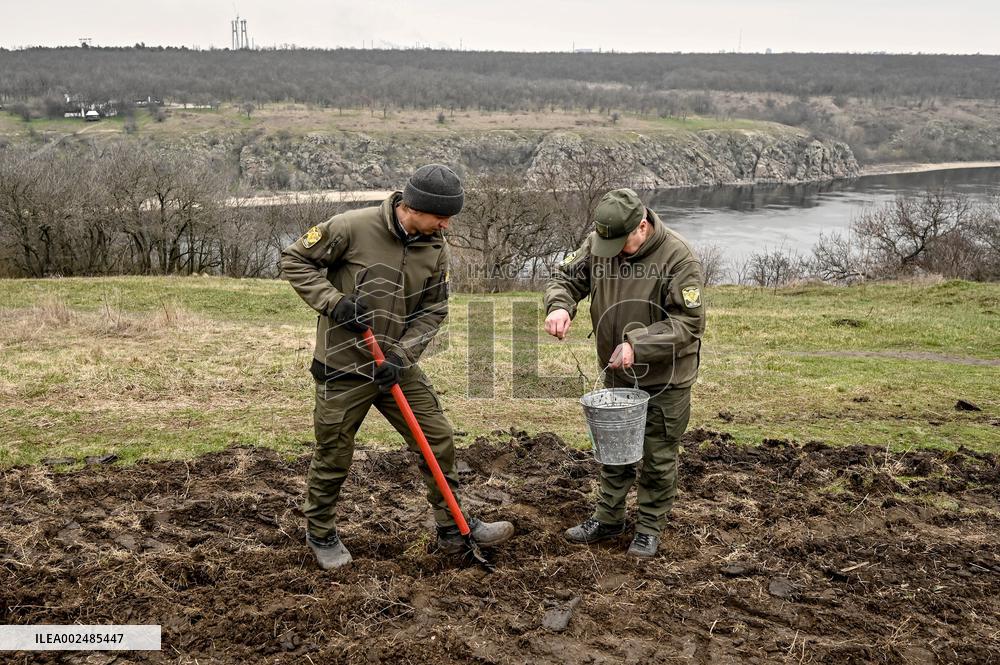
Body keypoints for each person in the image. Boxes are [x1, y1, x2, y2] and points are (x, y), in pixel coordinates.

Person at [280, 164, 514, 570]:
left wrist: (400, 358)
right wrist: (334, 303)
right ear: (414, 207)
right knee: (334, 452)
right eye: (441, 216)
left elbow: (433, 309)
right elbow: (295, 260)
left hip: (394, 365)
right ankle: (320, 532)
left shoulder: (435, 247)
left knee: (436, 437)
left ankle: (452, 527)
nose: (447, 224)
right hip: (343, 365)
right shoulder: (350, 227)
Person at [543, 188, 706, 558]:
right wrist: (559, 306)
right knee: (614, 450)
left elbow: (689, 323)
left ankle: (648, 527)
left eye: (620, 243)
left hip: (665, 379)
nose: (611, 250)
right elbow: (566, 278)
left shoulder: (679, 259)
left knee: (658, 455)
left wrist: (638, 344)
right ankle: (608, 518)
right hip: (617, 373)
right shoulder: (600, 243)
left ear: (642, 227)